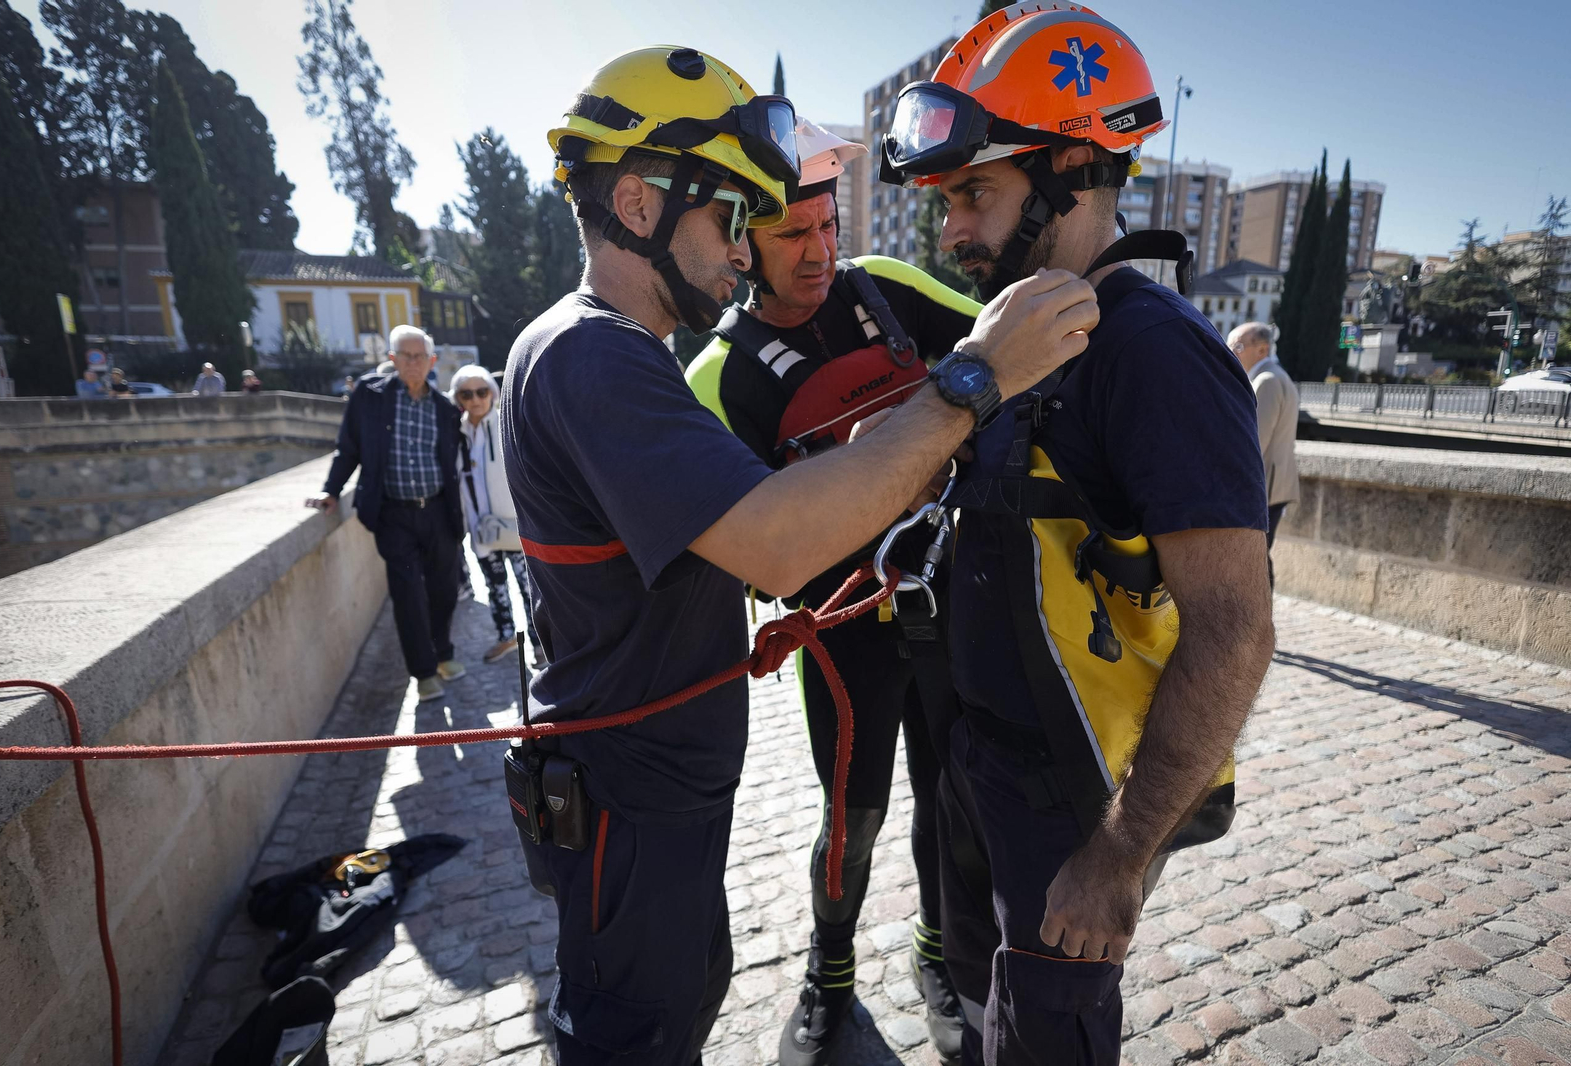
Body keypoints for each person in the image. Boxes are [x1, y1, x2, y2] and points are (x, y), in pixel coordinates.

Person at [502, 45, 1097, 1066]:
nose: (743, 254)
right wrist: (969, 383)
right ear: (639, 204)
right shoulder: (592, 354)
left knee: (677, 1004)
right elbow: (776, 545)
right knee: (635, 1035)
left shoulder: (607, 349)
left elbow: (753, 525)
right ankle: (832, 983)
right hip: (631, 799)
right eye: (730, 220)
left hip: (656, 791)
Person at [880, 7, 1276, 1062]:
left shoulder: (1153, 354)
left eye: (974, 193)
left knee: (1048, 1040)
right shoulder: (1011, 337)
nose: (951, 229)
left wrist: (1117, 857)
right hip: (981, 771)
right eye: (946, 199)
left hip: (1074, 804)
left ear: (1065, 168)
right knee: (977, 1008)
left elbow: (1235, 630)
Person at [685, 118, 979, 1065]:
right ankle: (829, 978)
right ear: (743, 242)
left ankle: (939, 959)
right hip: (842, 634)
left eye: (827, 228)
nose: (819, 255)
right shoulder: (718, 377)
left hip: (946, 605)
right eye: (791, 237)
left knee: (952, 798)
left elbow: (1004, 336)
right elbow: (730, 550)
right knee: (852, 818)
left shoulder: (885, 293)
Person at [307, 325, 467, 703]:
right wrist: (331, 489)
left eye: (420, 356)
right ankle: (424, 672)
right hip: (394, 515)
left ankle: (443, 652)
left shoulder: (445, 409)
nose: (413, 362)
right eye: (405, 355)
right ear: (392, 360)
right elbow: (348, 447)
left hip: (439, 512)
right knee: (408, 594)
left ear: (432, 361)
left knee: (444, 590)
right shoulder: (370, 396)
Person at [448, 363, 539, 664]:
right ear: (458, 398)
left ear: (493, 392)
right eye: (466, 393)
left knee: (529, 588)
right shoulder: (458, 433)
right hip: (481, 526)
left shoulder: (507, 424)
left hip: (515, 524)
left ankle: (540, 643)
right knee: (495, 586)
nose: (475, 399)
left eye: (481, 391)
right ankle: (506, 637)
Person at [1228, 322, 1299, 583]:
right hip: (1272, 484)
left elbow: (1254, 442)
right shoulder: (1275, 376)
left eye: (1237, 346)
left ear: (1262, 350)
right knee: (1258, 557)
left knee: (1255, 559)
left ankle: (1261, 618)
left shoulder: (1266, 381)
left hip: (1265, 487)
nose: (1231, 351)